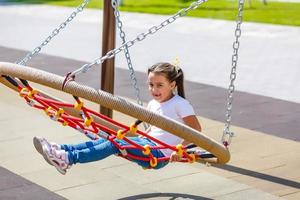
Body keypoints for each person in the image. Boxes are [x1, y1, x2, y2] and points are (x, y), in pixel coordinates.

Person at [34, 62, 202, 175]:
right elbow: (155, 130)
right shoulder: (152, 103)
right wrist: (142, 136)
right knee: (110, 138)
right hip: (146, 145)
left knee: (113, 143)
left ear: (172, 85)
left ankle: (67, 159)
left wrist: (178, 150)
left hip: (158, 154)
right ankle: (62, 150)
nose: (154, 89)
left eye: (159, 85)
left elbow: (196, 131)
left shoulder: (180, 104)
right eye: (151, 85)